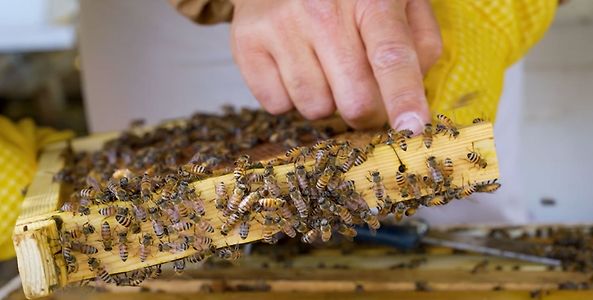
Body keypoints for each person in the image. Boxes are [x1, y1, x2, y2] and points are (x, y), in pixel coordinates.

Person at [0, 0, 557, 259]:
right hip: (158, 19)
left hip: (417, 14)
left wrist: (491, 10)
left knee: (454, 225)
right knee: (169, 247)